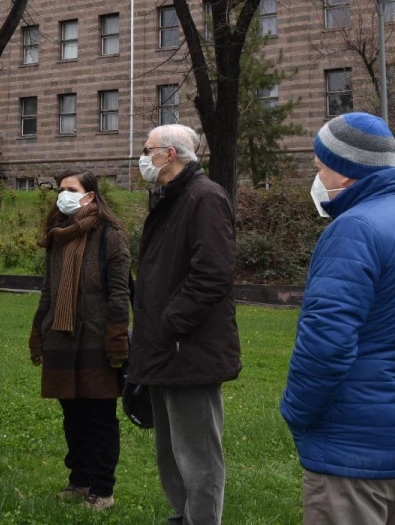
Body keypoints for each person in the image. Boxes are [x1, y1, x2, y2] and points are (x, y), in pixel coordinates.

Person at [281, 113, 395, 525]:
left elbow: (325, 344)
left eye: (320, 167)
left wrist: (295, 410)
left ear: (345, 171)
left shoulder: (354, 229)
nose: (317, 177)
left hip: (353, 453)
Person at [128, 124, 241, 525]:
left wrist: (169, 323)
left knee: (198, 453)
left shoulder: (204, 198)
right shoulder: (170, 197)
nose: (142, 156)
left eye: (147, 149)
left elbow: (212, 274)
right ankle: (184, 514)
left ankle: (203, 519)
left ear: (170, 154)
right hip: (164, 347)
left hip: (187, 348)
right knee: (171, 448)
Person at [29, 170, 131, 512]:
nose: (63, 195)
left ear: (90, 196)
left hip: (97, 340)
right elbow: (49, 289)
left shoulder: (110, 235)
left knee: (99, 417)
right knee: (72, 415)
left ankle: (103, 490)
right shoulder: (57, 236)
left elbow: (120, 292)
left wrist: (117, 338)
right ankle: (80, 480)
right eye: (60, 189)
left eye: (71, 189)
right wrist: (37, 332)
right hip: (60, 338)